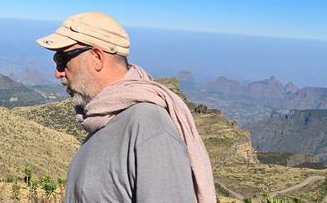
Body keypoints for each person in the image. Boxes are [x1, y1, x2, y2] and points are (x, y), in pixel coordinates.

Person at [36, 11, 215, 203]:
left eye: (62, 60)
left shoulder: (150, 128)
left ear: (97, 57)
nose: (58, 73)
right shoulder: (103, 118)